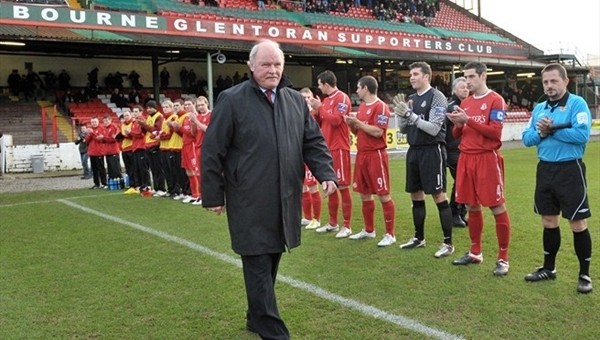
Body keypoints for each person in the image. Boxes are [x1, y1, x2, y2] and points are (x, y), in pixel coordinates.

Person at [202, 39, 337, 339]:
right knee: (257, 261)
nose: (272, 70)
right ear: (251, 66)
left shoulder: (293, 101)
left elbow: (312, 142)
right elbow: (213, 149)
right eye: (265, 64)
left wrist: (326, 172)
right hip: (248, 199)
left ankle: (255, 316)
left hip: (285, 196)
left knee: (271, 256)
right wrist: (213, 194)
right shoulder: (232, 99)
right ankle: (273, 331)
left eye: (277, 64)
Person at [522, 63, 593, 294]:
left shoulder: (577, 104)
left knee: (577, 223)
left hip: (570, 170)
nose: (549, 86)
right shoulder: (539, 108)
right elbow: (527, 138)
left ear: (565, 82)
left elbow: (582, 134)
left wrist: (553, 130)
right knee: (549, 222)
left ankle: (584, 274)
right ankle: (549, 269)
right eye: (545, 82)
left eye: (554, 81)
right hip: (545, 170)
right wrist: (542, 132)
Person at [446, 62, 511, 276]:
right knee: (472, 206)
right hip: (467, 158)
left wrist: (468, 121)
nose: (467, 81)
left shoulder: (495, 100)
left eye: (471, 76)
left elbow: (495, 133)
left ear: (483, 76)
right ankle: (475, 252)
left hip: (486, 159)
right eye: (465, 77)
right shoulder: (465, 103)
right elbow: (459, 135)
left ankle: (503, 258)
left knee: (496, 207)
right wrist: (457, 124)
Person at [394, 62, 454, 258]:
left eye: (415, 74)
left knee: (438, 195)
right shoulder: (411, 99)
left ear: (426, 76)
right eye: (410, 74)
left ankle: (448, 243)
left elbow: (434, 128)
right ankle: (419, 238)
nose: (411, 77)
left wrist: (410, 115)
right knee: (415, 194)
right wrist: (400, 116)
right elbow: (404, 129)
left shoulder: (437, 97)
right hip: (414, 151)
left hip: (432, 150)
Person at [345, 76, 397, 247]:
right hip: (362, 154)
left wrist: (358, 122)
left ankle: (390, 234)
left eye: (359, 88)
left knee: (383, 193)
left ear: (366, 88)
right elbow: (358, 133)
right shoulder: (361, 107)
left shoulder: (381, 106)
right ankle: (369, 230)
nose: (357, 91)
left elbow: (377, 132)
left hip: (376, 155)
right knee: (364, 193)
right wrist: (352, 125)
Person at [309, 70, 353, 238]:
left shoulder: (342, 98)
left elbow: (336, 120)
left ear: (326, 84)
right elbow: (321, 121)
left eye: (320, 85)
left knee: (342, 185)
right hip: (327, 148)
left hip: (339, 147)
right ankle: (333, 223)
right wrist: (315, 111)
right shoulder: (326, 101)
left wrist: (320, 108)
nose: (319, 88)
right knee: (331, 185)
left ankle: (347, 226)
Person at [446, 77, 469, 227]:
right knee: (461, 180)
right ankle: (454, 212)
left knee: (465, 180)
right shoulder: (450, 107)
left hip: (464, 149)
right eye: (462, 88)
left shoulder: (469, 104)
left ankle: (460, 212)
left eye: (467, 87)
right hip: (453, 149)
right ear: (454, 90)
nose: (466, 90)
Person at [299, 88, 323, 230]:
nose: (306, 100)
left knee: (313, 185)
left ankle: (317, 219)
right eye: (304, 97)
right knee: (303, 185)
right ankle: (307, 217)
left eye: (308, 97)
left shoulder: (315, 114)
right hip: (299, 154)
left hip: (311, 154)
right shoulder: (297, 113)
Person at [84, 117, 107, 189]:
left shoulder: (101, 129)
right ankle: (96, 183)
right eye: (92, 122)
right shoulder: (90, 130)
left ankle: (104, 183)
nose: (93, 123)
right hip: (92, 152)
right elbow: (87, 141)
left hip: (99, 152)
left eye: (95, 122)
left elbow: (99, 139)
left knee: (101, 168)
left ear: (98, 122)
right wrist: (89, 134)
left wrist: (92, 133)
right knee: (94, 169)